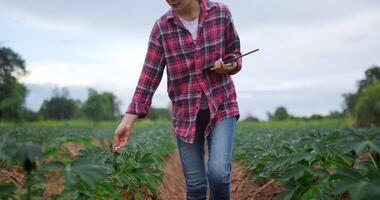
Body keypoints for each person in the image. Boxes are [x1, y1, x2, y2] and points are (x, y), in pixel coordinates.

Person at [113, 0, 242, 199]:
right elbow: (149, 75)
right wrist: (128, 120)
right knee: (196, 186)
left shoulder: (221, 13)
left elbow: (235, 53)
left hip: (222, 106)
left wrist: (229, 64)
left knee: (218, 175)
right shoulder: (162, 28)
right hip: (186, 115)